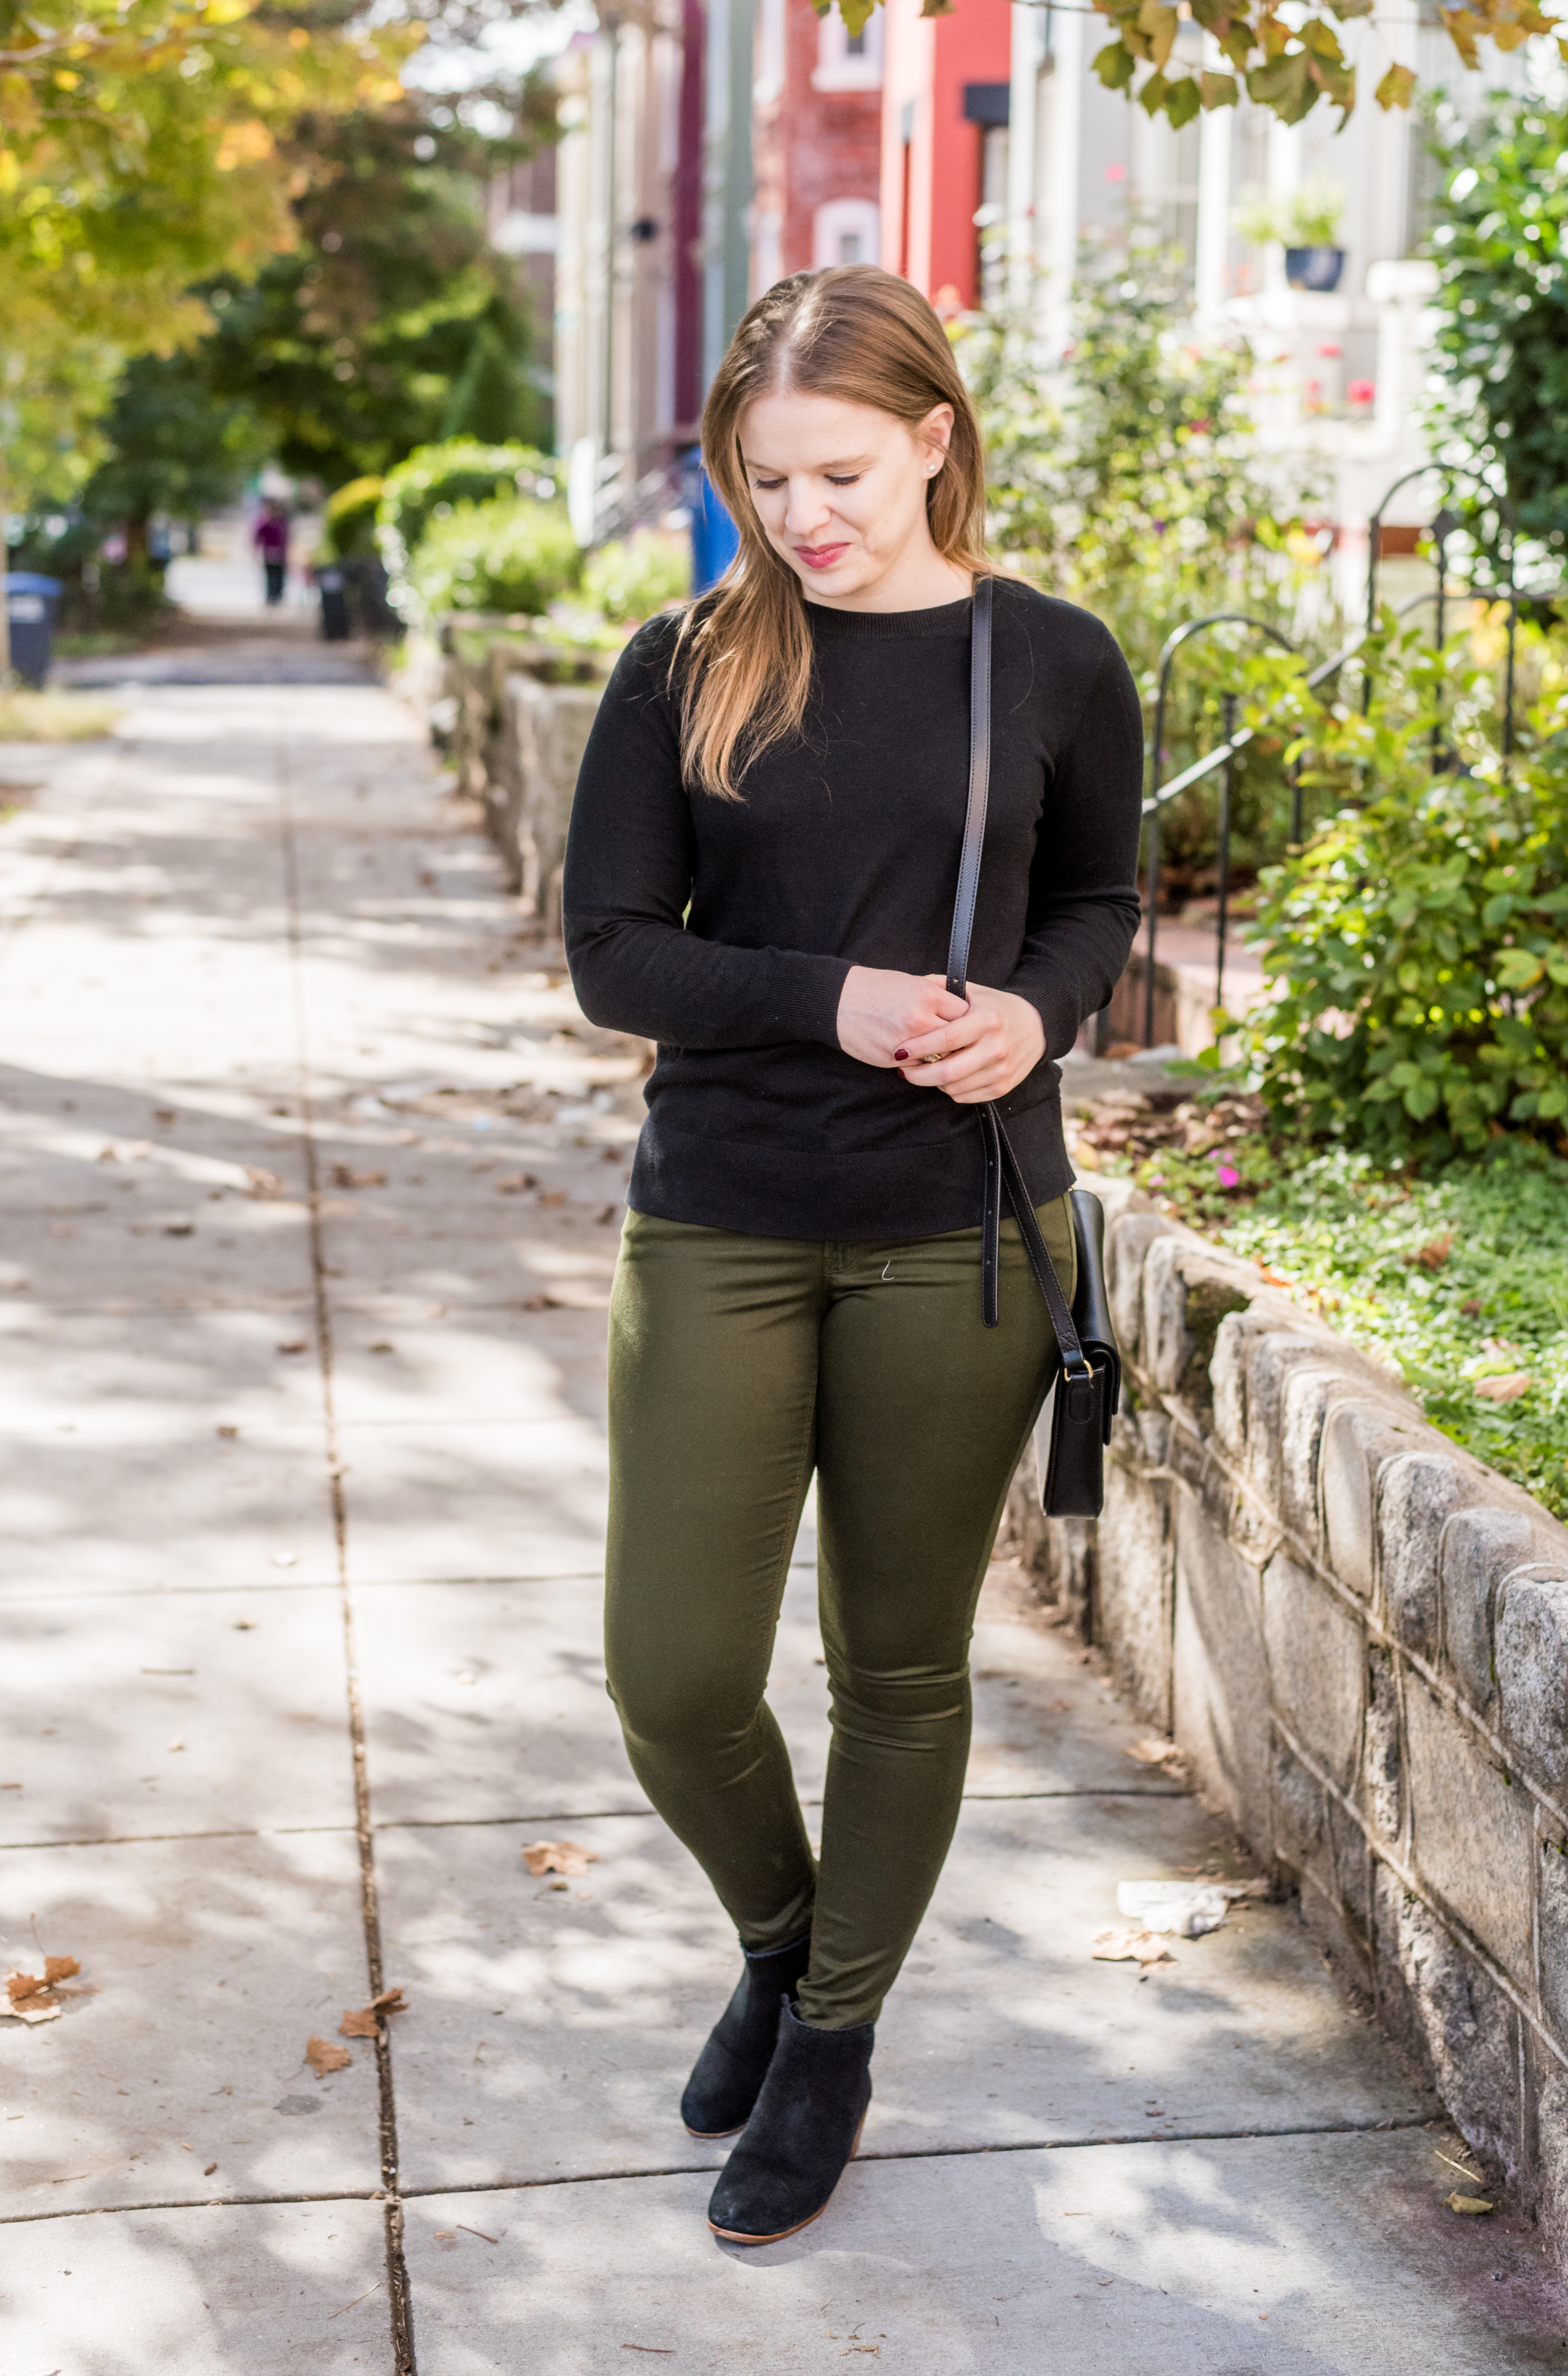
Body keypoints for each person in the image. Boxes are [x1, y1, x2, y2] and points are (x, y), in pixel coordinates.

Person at [562, 268, 1143, 2246]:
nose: (802, 516)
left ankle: (827, 2032)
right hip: (720, 1204)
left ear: (929, 437)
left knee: (895, 1666)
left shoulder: (1048, 658)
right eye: (761, 479)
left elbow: (1094, 896)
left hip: (961, 1228)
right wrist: (834, 996)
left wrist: (1037, 1012)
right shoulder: (688, 661)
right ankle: (779, 1930)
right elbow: (611, 949)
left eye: (834, 472)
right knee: (671, 1668)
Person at [253, 501, 290, 606]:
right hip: (271, 553)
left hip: (278, 554)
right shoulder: (267, 524)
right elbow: (258, 539)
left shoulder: (280, 523)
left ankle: (275, 597)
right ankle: (272, 597)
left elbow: (286, 540)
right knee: (272, 576)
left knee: (278, 577)